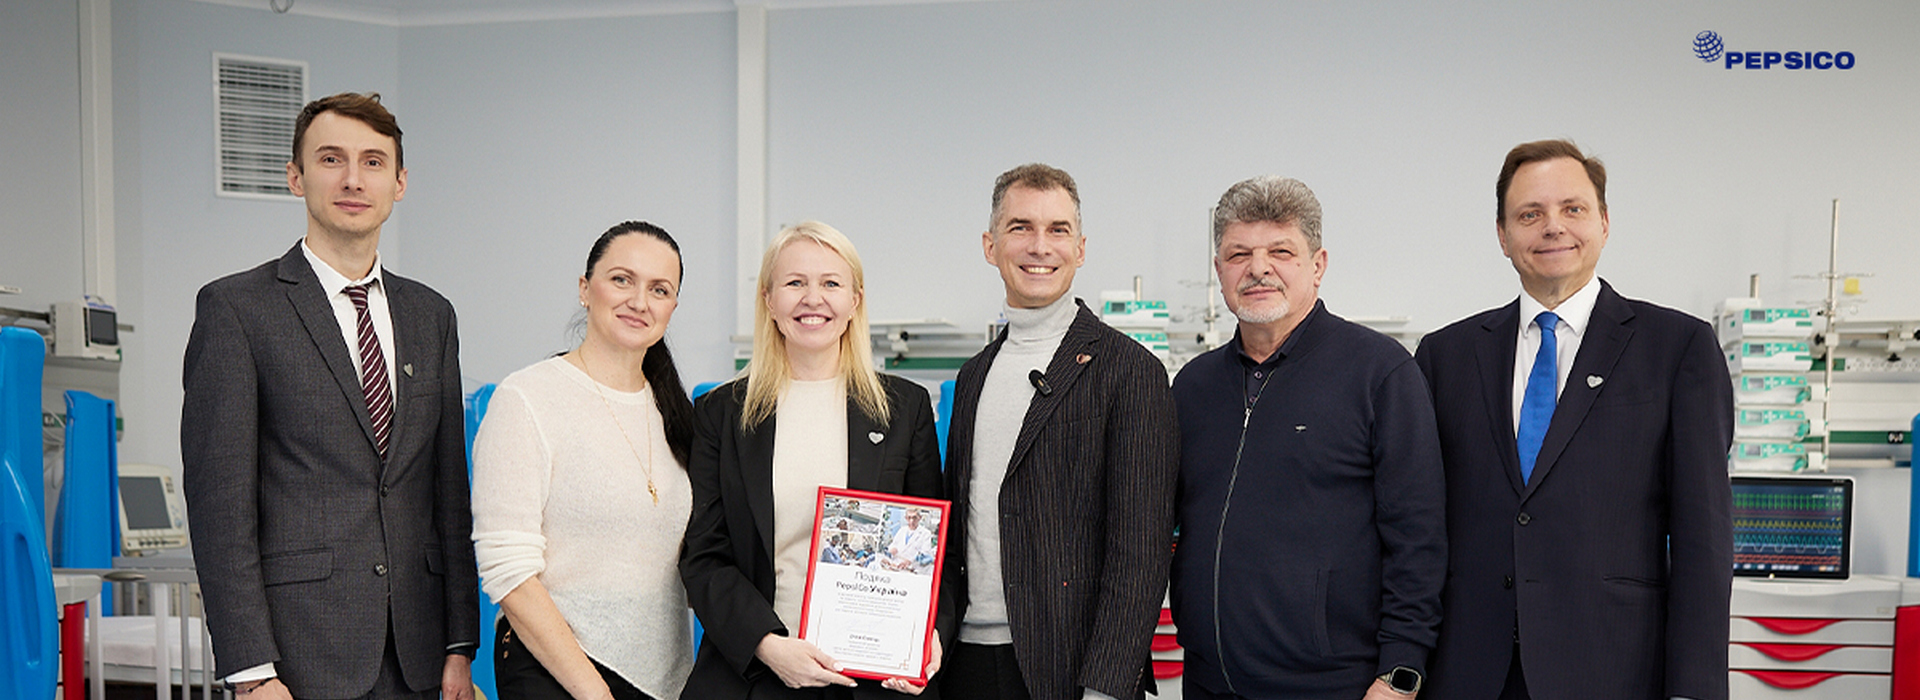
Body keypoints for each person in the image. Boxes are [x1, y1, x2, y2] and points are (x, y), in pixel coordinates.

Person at [181, 92, 479, 699]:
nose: (353, 179)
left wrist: (459, 644)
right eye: (330, 159)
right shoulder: (236, 309)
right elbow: (221, 510)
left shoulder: (432, 315)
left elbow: (448, 492)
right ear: (296, 177)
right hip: (298, 659)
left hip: (421, 657)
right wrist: (251, 672)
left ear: (399, 184)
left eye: (373, 162)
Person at [1413, 140, 1733, 700]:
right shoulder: (1446, 356)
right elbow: (1418, 526)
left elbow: (1703, 538)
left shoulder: (1677, 347)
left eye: (1573, 208)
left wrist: (1695, 688)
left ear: (1604, 223)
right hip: (1470, 670)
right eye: (1529, 214)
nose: (1553, 227)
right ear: (1502, 235)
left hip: (1613, 669)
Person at [1168, 176, 1446, 700]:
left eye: (1281, 251)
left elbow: (1419, 539)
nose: (1258, 268)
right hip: (1208, 681)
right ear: (1219, 270)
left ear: (1318, 266)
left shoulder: (1379, 373)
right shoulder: (1193, 387)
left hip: (1335, 684)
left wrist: (1400, 671)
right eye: (1239, 254)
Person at [680, 221, 948, 699]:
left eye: (830, 283)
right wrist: (767, 645)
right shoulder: (721, 413)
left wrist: (929, 633)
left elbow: (935, 548)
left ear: (855, 300)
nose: (813, 299)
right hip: (757, 675)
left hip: (871, 676)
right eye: (794, 283)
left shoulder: (903, 409)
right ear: (768, 300)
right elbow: (704, 555)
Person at [941, 163, 1179, 700]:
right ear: (990, 245)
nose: (1039, 246)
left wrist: (1105, 688)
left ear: (1080, 248)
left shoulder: (1129, 371)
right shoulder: (974, 375)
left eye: (1058, 230)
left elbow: (1141, 551)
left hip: (1071, 668)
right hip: (965, 661)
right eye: (1020, 227)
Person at [471, 221, 698, 700]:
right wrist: (593, 693)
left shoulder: (677, 414)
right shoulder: (527, 397)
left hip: (666, 679)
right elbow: (509, 572)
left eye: (659, 289)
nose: (639, 301)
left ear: (672, 308)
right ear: (584, 289)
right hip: (559, 673)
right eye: (622, 279)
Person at [880, 509, 935, 574]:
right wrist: (890, 552)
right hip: (897, 566)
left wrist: (910, 561)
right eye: (909, 518)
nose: (911, 521)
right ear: (906, 518)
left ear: (920, 518)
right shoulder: (902, 530)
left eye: (914, 517)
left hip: (914, 569)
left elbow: (925, 554)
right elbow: (894, 545)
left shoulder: (925, 533)